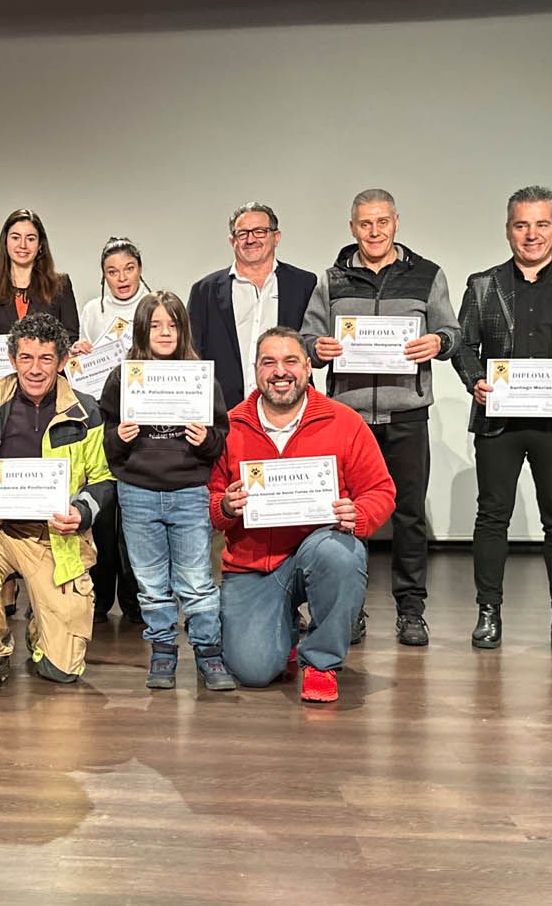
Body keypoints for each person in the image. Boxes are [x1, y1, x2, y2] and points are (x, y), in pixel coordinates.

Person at [452, 186, 552, 654]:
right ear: (508, 229)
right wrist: (475, 380)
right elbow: (463, 345)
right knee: (491, 516)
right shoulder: (483, 284)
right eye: (522, 225)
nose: (532, 234)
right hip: (499, 420)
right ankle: (488, 613)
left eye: (541, 224)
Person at [301, 188, 460, 648]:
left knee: (409, 516)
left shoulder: (427, 275)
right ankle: (348, 611)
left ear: (396, 223)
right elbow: (309, 337)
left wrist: (438, 344)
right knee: (346, 517)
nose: (374, 231)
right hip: (347, 419)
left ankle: (412, 611)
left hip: (407, 414)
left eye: (382, 222)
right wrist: (318, 349)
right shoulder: (330, 280)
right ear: (352, 228)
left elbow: (450, 330)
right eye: (365, 223)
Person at [210, 328, 396, 703]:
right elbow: (209, 500)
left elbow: (382, 491)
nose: (281, 372)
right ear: (256, 371)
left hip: (318, 550)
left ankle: (321, 664)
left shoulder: (343, 422)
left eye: (290, 361)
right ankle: (285, 632)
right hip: (253, 565)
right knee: (253, 671)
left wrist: (357, 514)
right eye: (269, 363)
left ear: (308, 368)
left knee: (341, 553)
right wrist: (225, 506)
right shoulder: (229, 426)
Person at [0, 312, 114, 696]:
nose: (35, 369)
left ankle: (43, 630)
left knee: (61, 671)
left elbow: (103, 479)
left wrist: (81, 513)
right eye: (26, 358)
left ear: (62, 361)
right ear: (12, 359)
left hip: (55, 538)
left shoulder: (86, 412)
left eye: (45, 359)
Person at [99, 290, 233, 690]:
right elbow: (105, 436)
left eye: (172, 325)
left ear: (183, 329)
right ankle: (162, 651)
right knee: (151, 582)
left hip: (189, 489)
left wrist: (206, 439)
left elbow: (220, 435)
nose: (164, 332)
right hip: (137, 491)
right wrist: (119, 437)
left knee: (196, 580)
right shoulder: (124, 376)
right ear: (142, 330)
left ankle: (208, 652)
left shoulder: (200, 375)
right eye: (155, 325)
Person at [188, 202, 318, 422]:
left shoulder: (304, 284)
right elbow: (191, 354)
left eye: (260, 231)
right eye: (242, 233)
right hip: (224, 414)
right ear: (232, 241)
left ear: (276, 237)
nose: (251, 239)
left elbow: (311, 343)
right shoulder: (205, 290)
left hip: (290, 409)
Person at [75, 237, 144, 624]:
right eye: (112, 272)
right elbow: (81, 364)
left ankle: (134, 599)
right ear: (103, 276)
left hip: (142, 417)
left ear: (140, 268)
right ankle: (99, 597)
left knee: (133, 512)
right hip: (102, 416)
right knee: (102, 509)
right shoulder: (92, 310)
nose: (121, 278)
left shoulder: (155, 305)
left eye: (128, 268)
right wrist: (80, 353)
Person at [0, 209, 80, 345]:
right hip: (3, 367)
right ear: (5, 242)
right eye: (15, 238)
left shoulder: (60, 285)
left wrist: (76, 348)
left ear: (40, 244)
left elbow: (70, 339)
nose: (22, 245)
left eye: (30, 239)